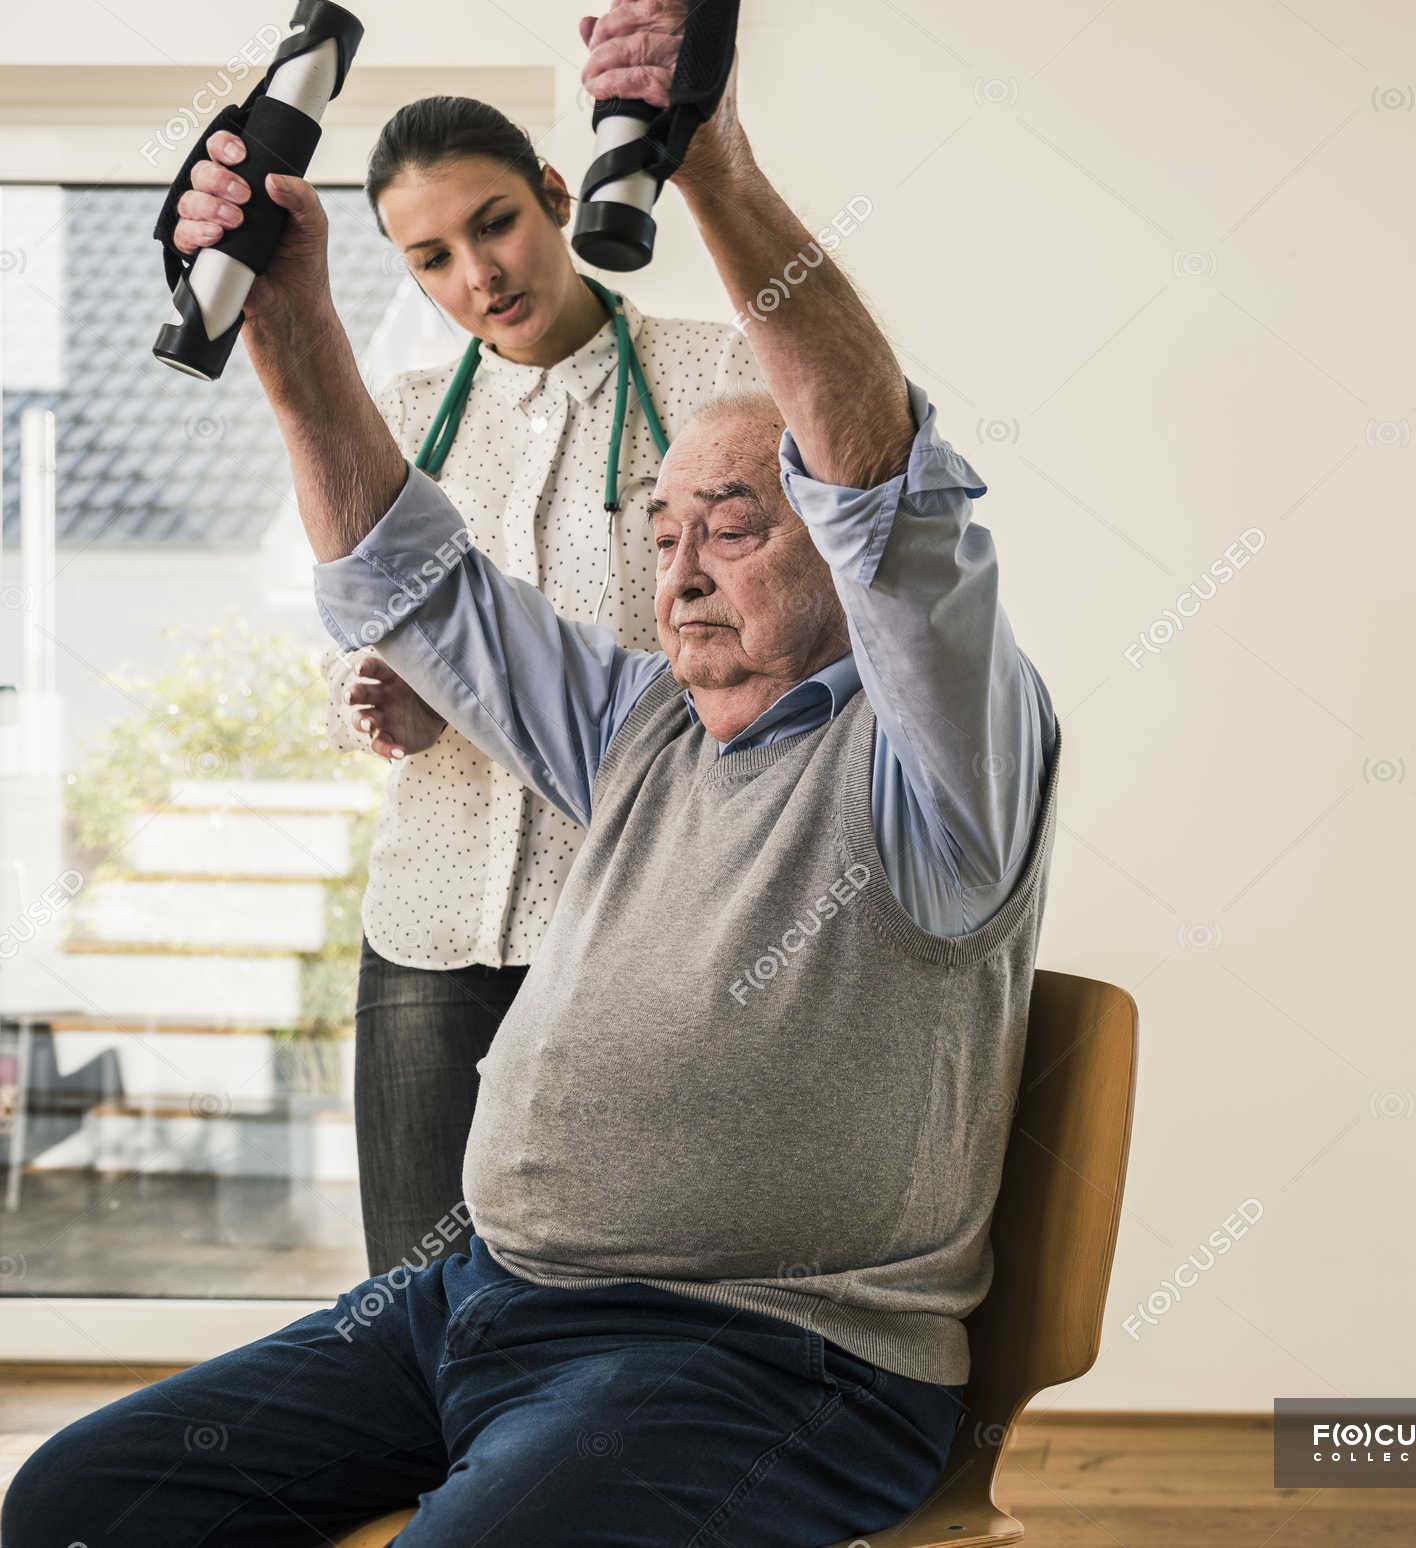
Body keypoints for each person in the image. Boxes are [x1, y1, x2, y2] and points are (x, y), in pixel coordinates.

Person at [2, 4, 1061, 1543]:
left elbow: (885, 485)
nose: (683, 568)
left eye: (741, 524)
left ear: (833, 550)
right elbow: (416, 584)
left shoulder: (941, 767)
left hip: (767, 1360)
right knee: (77, 1502)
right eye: (665, 530)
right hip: (475, 1307)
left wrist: (712, 170)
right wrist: (291, 307)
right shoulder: (643, 723)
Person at [315, 93, 761, 1276]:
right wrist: (378, 695)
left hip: (628, 922)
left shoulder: (713, 373)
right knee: (413, 1297)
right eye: (432, 257)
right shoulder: (402, 418)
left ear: (557, 198)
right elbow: (346, 634)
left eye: (496, 223)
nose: (478, 273)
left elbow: (769, 641)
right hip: (429, 930)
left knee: (608, 1291)